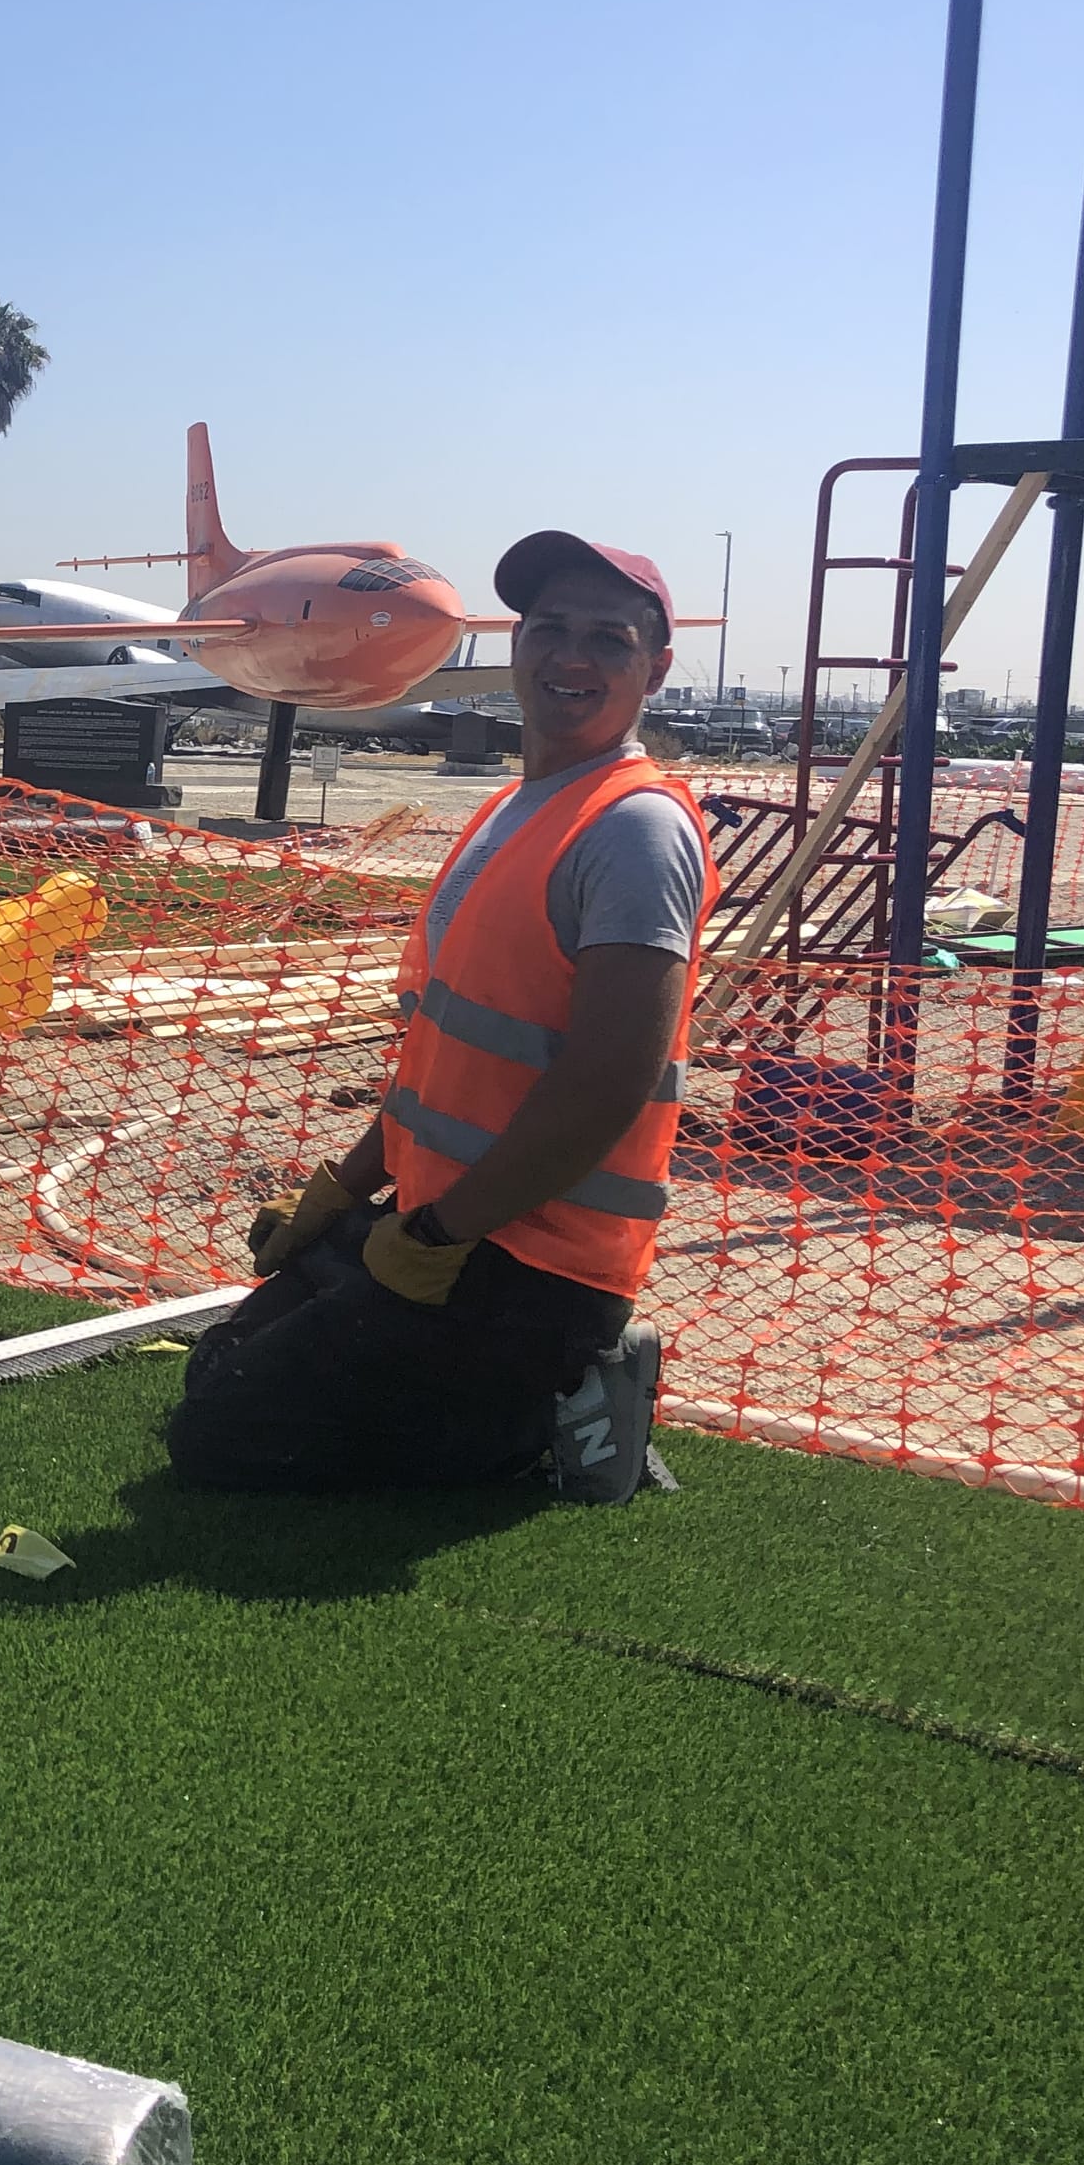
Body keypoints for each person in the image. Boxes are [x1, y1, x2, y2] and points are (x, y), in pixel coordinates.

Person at [168, 532, 719, 1507]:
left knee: (232, 1439)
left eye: (608, 638)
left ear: (656, 667)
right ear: (515, 645)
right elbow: (441, 1065)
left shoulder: (633, 827)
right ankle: (503, 1387)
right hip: (439, 1224)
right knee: (217, 1374)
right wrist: (342, 1193)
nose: (571, 657)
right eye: (549, 629)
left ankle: (563, 1405)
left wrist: (434, 1237)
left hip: (534, 1260)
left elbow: (606, 1080)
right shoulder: (515, 807)